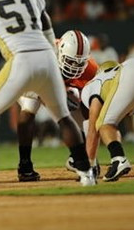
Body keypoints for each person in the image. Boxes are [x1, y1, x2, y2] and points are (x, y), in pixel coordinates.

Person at [0, 0, 95, 193]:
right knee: (63, 116)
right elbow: (47, 26)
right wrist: (52, 58)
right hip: (47, 57)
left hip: (20, 59)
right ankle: (87, 173)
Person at [16, 29, 99, 181]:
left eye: (79, 62)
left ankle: (81, 158)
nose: (75, 66)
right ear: (59, 52)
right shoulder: (43, 57)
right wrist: (61, 96)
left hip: (61, 85)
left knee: (86, 110)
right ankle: (25, 164)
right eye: (70, 61)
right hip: (29, 79)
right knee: (29, 107)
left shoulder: (90, 68)